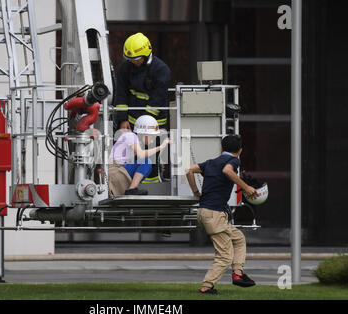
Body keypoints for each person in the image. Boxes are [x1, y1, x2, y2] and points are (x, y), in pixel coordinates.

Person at [185, 135, 258, 295]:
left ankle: (238, 273)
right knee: (225, 256)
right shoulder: (233, 161)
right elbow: (227, 171)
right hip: (214, 214)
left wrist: (196, 191)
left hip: (205, 212)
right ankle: (206, 287)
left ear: (222, 149)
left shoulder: (211, 163)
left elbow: (189, 170)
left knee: (238, 238)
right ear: (240, 151)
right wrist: (247, 188)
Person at [114, 32, 171, 184]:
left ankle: (151, 186)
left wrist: (145, 127)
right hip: (131, 123)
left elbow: (157, 101)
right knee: (130, 156)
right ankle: (130, 184)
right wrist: (122, 119)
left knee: (150, 158)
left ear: (146, 55)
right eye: (130, 59)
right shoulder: (125, 68)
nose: (134, 62)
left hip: (154, 123)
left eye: (137, 59)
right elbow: (121, 94)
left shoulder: (161, 70)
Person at [108, 115, 169, 196]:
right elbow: (141, 154)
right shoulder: (131, 136)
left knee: (145, 164)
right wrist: (161, 146)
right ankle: (132, 189)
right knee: (146, 162)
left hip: (119, 171)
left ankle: (132, 189)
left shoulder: (134, 138)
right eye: (153, 137)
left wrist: (157, 133)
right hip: (115, 172)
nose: (152, 141)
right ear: (145, 133)